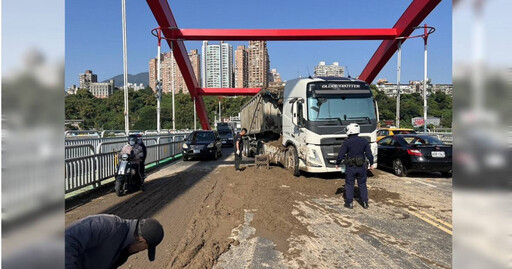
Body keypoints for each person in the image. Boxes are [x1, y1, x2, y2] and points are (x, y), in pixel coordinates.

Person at [65, 214, 164, 269]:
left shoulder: (123, 252)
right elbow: (66, 241)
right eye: (145, 248)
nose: (140, 251)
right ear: (141, 241)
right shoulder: (108, 225)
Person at [336, 123, 374, 209]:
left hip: (351, 167)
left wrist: (337, 163)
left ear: (350, 130)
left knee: (349, 184)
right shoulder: (364, 141)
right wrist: (371, 164)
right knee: (362, 184)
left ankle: (349, 203)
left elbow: (340, 154)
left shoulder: (347, 142)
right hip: (362, 167)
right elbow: (369, 154)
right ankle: (365, 202)